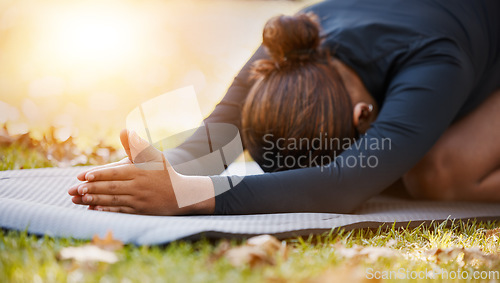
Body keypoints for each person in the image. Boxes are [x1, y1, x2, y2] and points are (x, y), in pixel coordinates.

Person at [68, 0, 500, 215]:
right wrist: (158, 171)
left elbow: (342, 185)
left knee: (437, 174)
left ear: (364, 116)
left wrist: (189, 197)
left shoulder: (433, 60)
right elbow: (217, 136)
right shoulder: (289, 50)